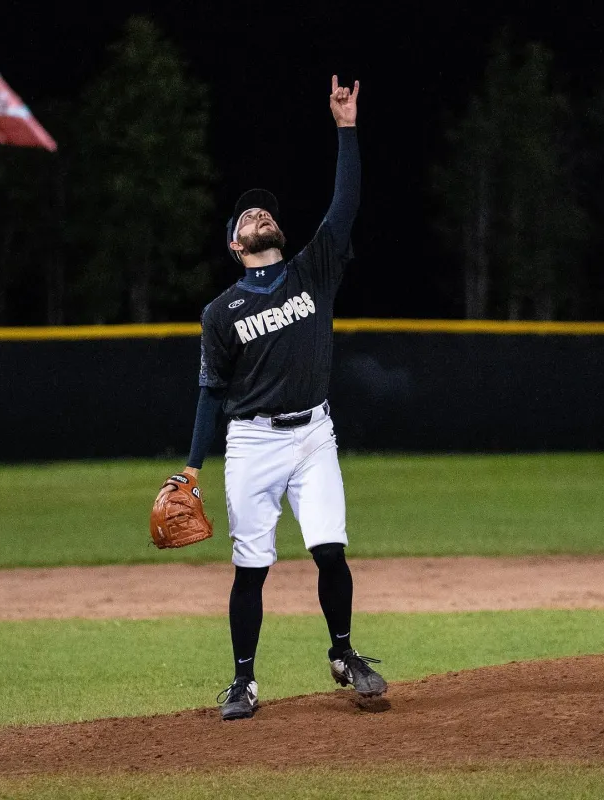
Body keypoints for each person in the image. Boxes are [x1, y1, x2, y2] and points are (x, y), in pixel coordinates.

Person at [157, 75, 385, 721]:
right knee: (250, 567)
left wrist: (346, 128)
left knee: (330, 548)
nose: (258, 215)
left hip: (313, 434)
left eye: (264, 211)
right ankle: (243, 682)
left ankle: (344, 653)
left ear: (276, 232)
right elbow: (210, 391)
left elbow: (346, 202)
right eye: (246, 216)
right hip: (252, 441)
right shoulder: (219, 312)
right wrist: (193, 468)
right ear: (236, 245)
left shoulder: (312, 269)